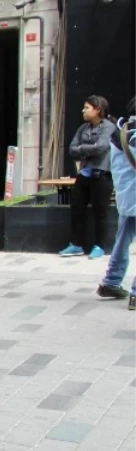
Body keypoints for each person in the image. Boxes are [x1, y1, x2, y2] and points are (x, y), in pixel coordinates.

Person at [62, 96, 118, 259]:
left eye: (87, 108)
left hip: (101, 175)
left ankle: (99, 246)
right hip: (84, 174)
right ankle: (76, 244)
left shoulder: (109, 127)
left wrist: (82, 148)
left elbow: (101, 147)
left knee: (100, 212)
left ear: (97, 109)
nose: (83, 111)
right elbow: (72, 149)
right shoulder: (83, 128)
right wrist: (88, 149)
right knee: (76, 209)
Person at [99, 96, 136, 309]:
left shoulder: (120, 131)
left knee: (123, 239)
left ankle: (111, 281)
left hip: (126, 196)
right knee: (123, 238)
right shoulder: (134, 135)